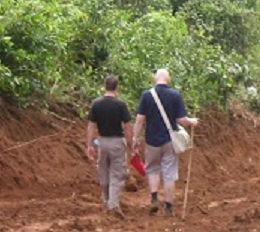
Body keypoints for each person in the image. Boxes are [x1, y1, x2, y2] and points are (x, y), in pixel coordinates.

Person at [132, 68, 198, 217]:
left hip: (151, 140)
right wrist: (192, 122)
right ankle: (168, 207)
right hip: (169, 140)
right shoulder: (175, 95)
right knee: (169, 173)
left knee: (152, 169)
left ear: (155, 79)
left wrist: (135, 139)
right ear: (168, 79)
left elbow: (140, 120)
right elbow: (181, 120)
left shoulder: (147, 95)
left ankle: (154, 197)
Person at [85, 74, 134, 218]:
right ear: (117, 87)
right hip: (117, 142)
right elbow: (127, 127)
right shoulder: (120, 105)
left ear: (104, 86)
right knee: (117, 174)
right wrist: (131, 144)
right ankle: (113, 205)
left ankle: (106, 201)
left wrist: (89, 145)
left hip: (102, 142)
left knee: (104, 171)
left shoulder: (96, 104)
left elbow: (91, 126)